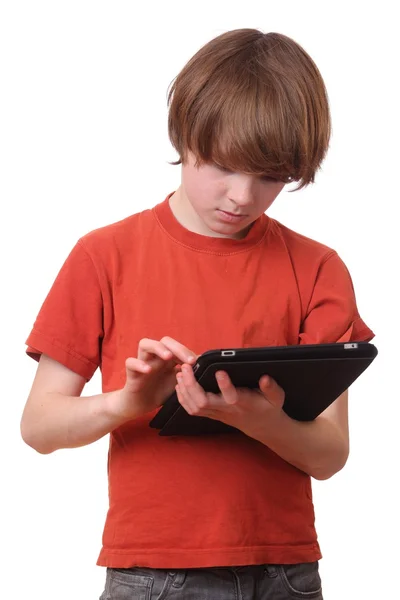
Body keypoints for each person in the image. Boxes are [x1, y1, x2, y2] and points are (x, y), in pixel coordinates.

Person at [20, 28, 374, 600]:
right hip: (154, 573)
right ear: (185, 133)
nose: (241, 196)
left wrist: (255, 419)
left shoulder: (318, 268)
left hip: (284, 572)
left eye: (270, 178)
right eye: (224, 166)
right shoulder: (103, 256)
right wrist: (129, 402)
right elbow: (38, 427)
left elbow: (331, 454)